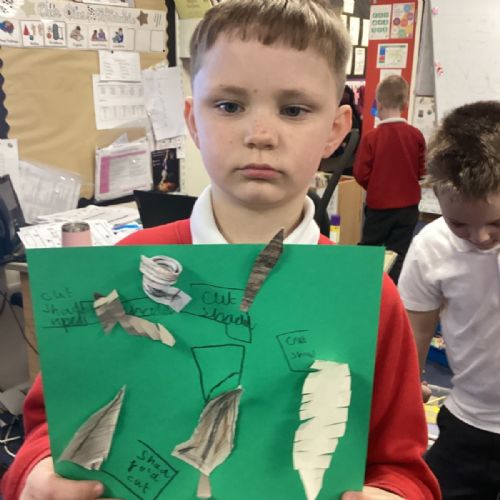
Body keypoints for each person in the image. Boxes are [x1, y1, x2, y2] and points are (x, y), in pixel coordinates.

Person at [1, 1, 439, 498]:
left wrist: (394, 493)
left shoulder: (365, 297)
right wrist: (35, 475)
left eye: (294, 109)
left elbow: (402, 466)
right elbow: (50, 426)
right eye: (229, 106)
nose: (260, 135)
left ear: (335, 130)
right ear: (193, 120)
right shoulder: (129, 268)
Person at [398, 100, 500, 500]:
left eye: (496, 222)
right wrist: (407, 392)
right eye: (460, 223)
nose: (480, 238)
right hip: (467, 424)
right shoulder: (432, 247)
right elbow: (413, 337)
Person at [353, 75, 426, 283]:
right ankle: (391, 290)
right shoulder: (416, 135)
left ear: (379, 104)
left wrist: (376, 186)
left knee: (370, 250)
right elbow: (422, 170)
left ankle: (365, 287)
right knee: (399, 253)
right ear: (405, 104)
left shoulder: (371, 138)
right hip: (408, 208)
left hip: (379, 207)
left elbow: (360, 173)